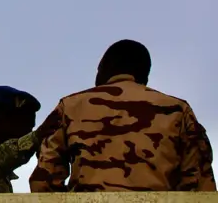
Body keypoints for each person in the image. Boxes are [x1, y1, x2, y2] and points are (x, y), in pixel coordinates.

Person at [30, 39, 216, 192]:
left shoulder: (70, 106)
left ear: (105, 68)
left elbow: (44, 180)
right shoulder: (177, 110)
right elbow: (200, 183)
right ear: (144, 75)